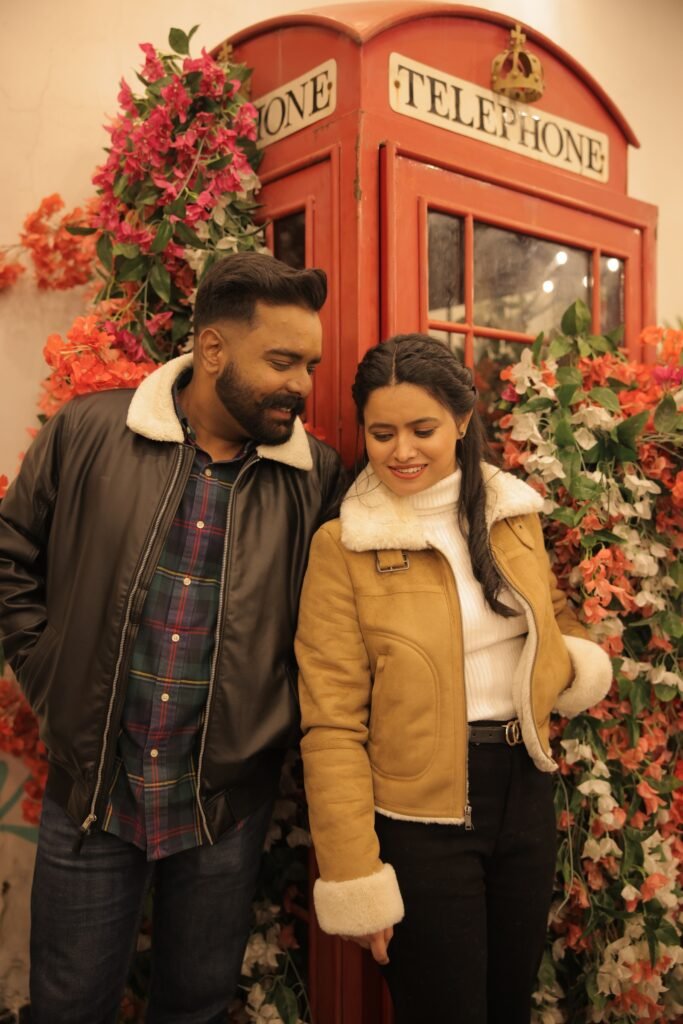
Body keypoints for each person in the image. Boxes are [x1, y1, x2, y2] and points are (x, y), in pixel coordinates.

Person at [0, 252, 346, 1024]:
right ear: (213, 348)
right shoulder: (88, 430)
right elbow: (10, 552)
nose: (302, 384)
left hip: (222, 807)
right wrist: (45, 666)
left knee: (195, 1008)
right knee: (67, 1008)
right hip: (94, 796)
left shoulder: (314, 475)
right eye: (282, 361)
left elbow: (342, 622)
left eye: (310, 365)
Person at [295, 334, 612, 1024]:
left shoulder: (511, 514)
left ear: (462, 421)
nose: (401, 451)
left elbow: (553, 612)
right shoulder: (343, 546)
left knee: (509, 1006)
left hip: (524, 789)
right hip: (419, 819)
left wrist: (571, 664)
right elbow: (331, 722)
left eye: (423, 429)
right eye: (381, 434)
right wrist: (353, 872)